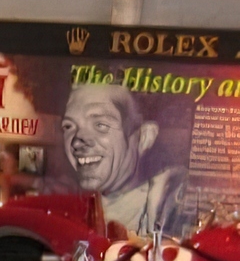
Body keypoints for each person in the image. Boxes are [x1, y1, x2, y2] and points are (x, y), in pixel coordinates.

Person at [60, 81, 184, 241]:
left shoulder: (168, 206)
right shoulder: (71, 206)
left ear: (144, 138)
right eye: (69, 126)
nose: (77, 142)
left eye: (100, 125)